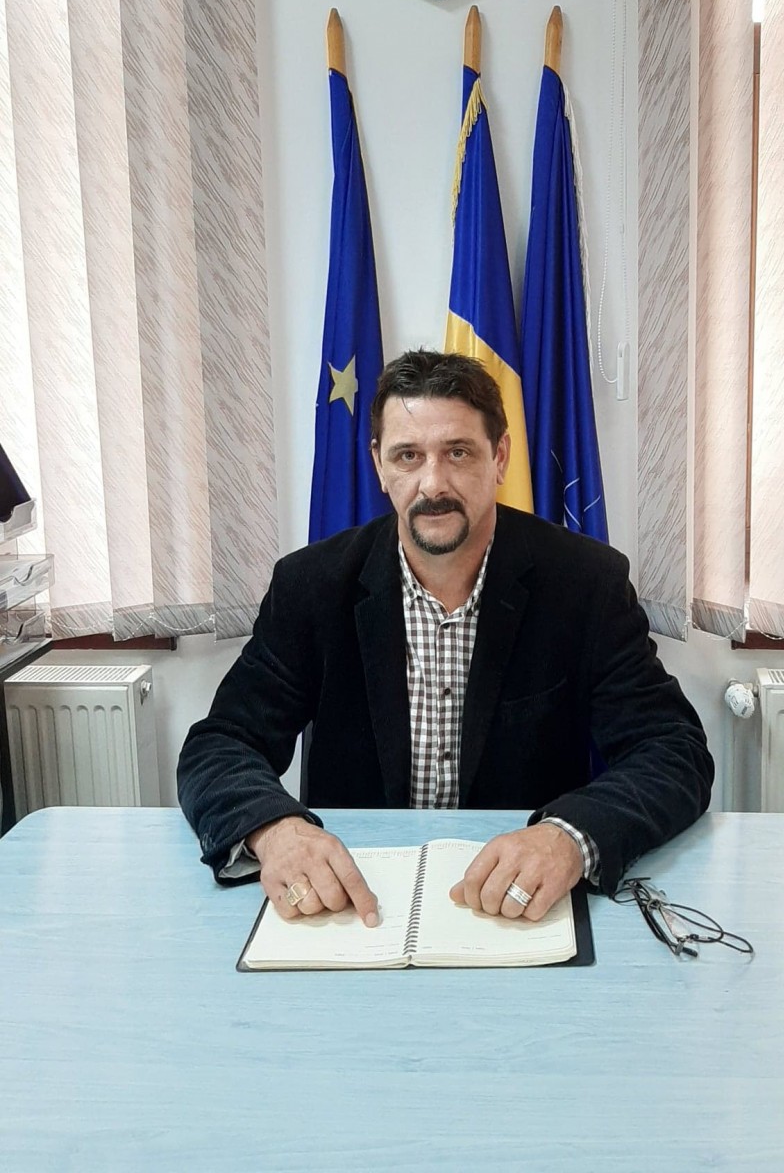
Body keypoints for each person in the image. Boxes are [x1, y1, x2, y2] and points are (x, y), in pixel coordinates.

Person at [177, 350, 713, 928]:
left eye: (458, 452)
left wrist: (569, 837)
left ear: (499, 457)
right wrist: (275, 830)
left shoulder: (585, 583)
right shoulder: (312, 586)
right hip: (355, 902)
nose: (433, 484)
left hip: (517, 905)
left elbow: (672, 750)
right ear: (379, 465)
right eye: (408, 456)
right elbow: (221, 744)